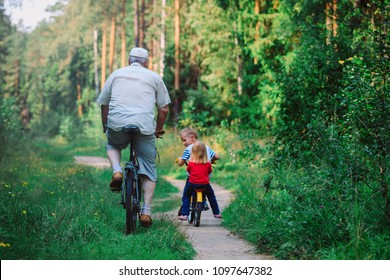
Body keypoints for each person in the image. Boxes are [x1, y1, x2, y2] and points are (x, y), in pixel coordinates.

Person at [97, 47, 171, 227]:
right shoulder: (154, 77)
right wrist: (158, 129)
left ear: (129, 61)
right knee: (149, 167)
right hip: (144, 126)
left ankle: (117, 170)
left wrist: (106, 125)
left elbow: (104, 104)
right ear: (146, 63)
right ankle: (146, 211)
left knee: (112, 145)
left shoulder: (116, 74)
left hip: (117, 123)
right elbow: (164, 109)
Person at [178, 141, 222, 220]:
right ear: (205, 152)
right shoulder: (208, 164)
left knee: (186, 196)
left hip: (192, 184)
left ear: (193, 152)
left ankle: (184, 214)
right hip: (205, 184)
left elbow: (188, 172)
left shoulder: (191, 164)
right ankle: (216, 213)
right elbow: (209, 173)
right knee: (211, 196)